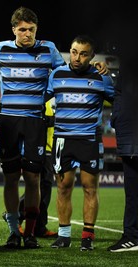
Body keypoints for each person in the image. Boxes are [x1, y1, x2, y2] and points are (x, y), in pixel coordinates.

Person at [0, 6, 108, 249]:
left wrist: (97, 68)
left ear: (36, 29)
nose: (27, 34)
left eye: (31, 29)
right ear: (14, 30)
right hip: (8, 120)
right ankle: (13, 232)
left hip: (34, 121)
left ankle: (30, 232)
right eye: (22, 30)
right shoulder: (1, 49)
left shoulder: (49, 49)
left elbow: (69, 72)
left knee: (33, 179)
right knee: (10, 179)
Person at [46, 35, 114, 251]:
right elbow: (40, 99)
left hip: (89, 140)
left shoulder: (102, 78)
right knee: (63, 187)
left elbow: (119, 101)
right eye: (74, 52)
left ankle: (87, 236)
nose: (77, 57)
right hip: (62, 141)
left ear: (92, 56)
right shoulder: (57, 75)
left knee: (89, 188)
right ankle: (64, 235)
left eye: (84, 54)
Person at [107, 22, 138, 252]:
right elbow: (119, 95)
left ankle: (132, 235)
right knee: (132, 189)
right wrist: (117, 118)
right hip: (130, 136)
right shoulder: (127, 67)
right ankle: (132, 235)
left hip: (131, 133)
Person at [15, 99, 58, 238]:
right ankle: (17, 214)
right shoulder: (41, 97)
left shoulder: (50, 98)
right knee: (37, 186)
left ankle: (40, 226)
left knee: (45, 187)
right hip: (39, 147)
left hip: (49, 147)